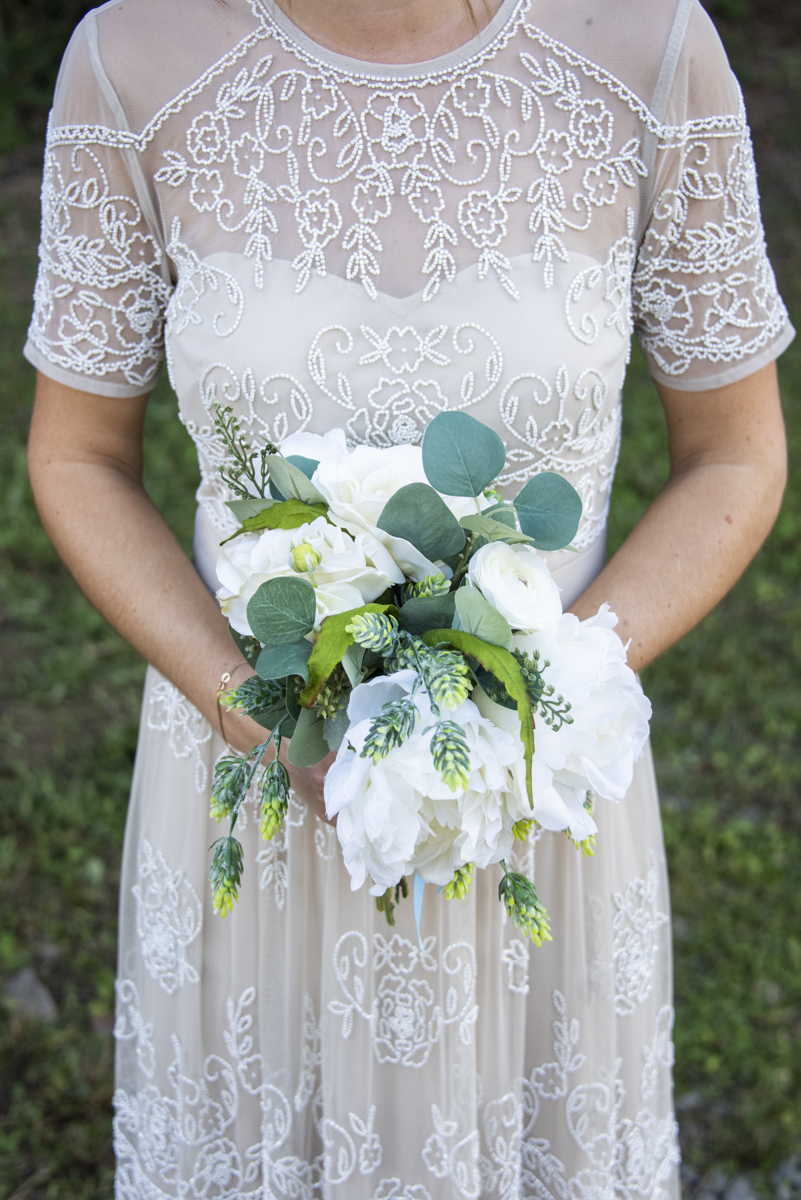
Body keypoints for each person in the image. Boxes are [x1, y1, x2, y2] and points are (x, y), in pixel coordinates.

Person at [25, 0, 790, 1195]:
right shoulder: (133, 59)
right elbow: (77, 457)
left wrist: (530, 703)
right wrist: (250, 710)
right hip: (252, 786)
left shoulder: (654, 48)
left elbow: (737, 456)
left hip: (540, 794)